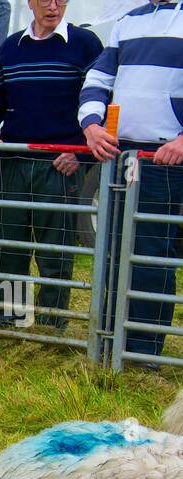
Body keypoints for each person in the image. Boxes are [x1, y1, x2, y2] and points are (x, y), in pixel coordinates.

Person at [0, 0, 102, 330]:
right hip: (14, 160)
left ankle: (50, 325)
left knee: (54, 250)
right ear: (30, 2)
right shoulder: (10, 48)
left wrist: (81, 153)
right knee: (8, 247)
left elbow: (102, 101)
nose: (53, 5)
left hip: (60, 165)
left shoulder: (85, 45)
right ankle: (5, 320)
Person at [81, 0, 183, 363]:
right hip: (120, 156)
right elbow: (98, 79)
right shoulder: (128, 20)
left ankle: (143, 354)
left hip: (165, 158)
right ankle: (110, 343)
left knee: (151, 256)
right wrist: (91, 125)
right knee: (113, 252)